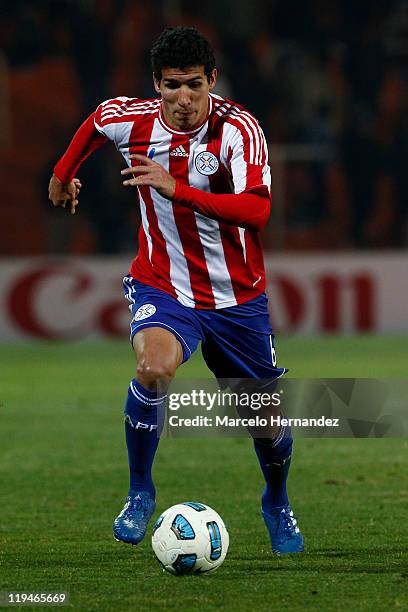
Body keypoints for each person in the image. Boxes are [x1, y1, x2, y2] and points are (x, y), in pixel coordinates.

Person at [48, 26, 304, 555]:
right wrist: (62, 173)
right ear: (156, 84)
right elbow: (96, 122)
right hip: (164, 284)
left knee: (264, 423)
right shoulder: (132, 119)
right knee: (154, 367)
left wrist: (177, 189)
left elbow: (258, 211)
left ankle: (276, 501)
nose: (183, 99)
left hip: (237, 298)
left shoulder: (238, 131)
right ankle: (141, 490)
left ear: (212, 80)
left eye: (193, 85)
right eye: (171, 86)